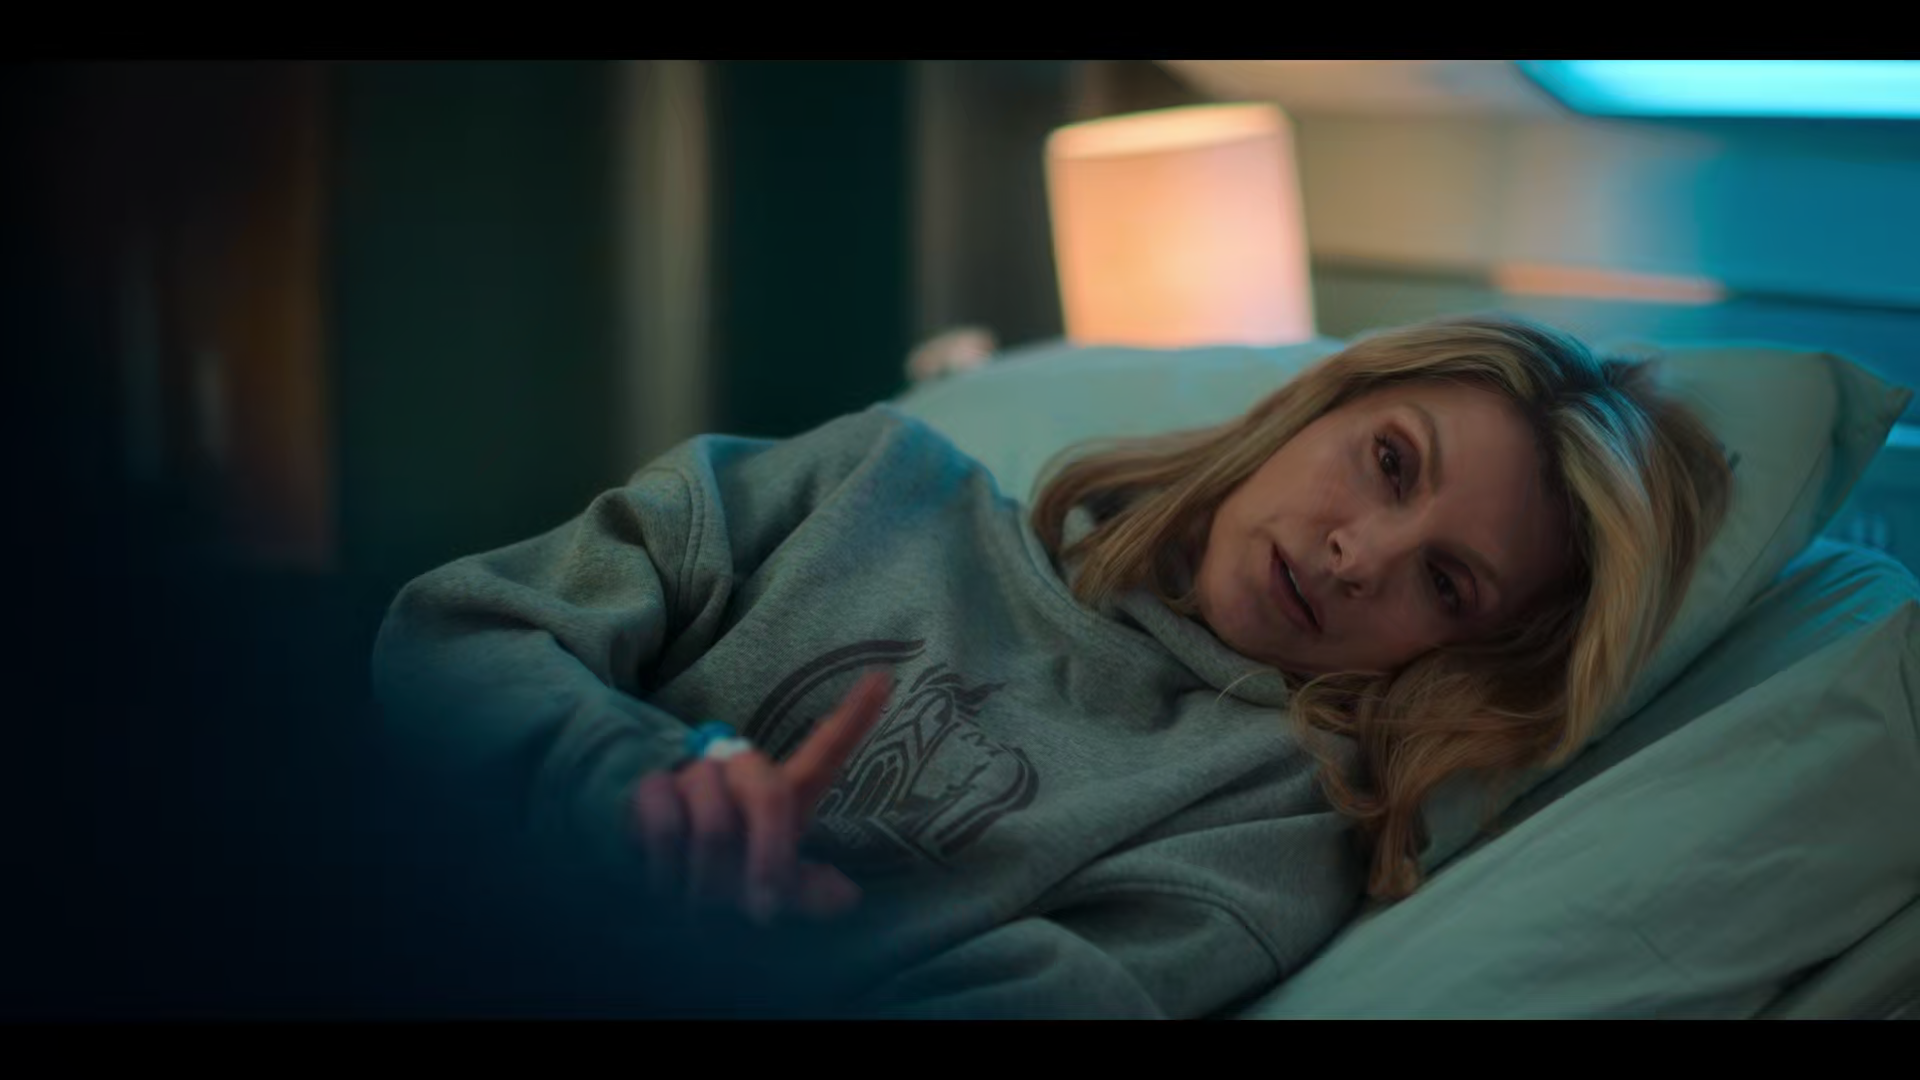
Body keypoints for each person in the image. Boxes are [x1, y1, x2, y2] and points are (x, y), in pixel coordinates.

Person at [371, 313, 1732, 1019]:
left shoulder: (1266, 821)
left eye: (1446, 580)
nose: (1359, 554)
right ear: (1314, 407)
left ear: (1466, 653)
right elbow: (463, 630)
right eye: (1388, 462)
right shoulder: (872, 480)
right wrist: (635, 789)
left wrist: (728, 940)